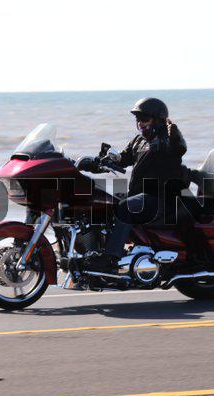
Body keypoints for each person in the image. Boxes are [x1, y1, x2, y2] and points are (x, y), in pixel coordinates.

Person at [87, 97, 187, 271]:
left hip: (161, 200)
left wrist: (174, 133)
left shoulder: (166, 140)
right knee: (101, 202)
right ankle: (94, 252)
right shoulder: (139, 141)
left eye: (144, 118)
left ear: (158, 120)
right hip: (140, 196)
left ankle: (111, 258)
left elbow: (179, 149)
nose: (140, 123)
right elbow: (122, 159)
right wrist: (92, 163)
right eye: (138, 119)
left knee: (126, 207)